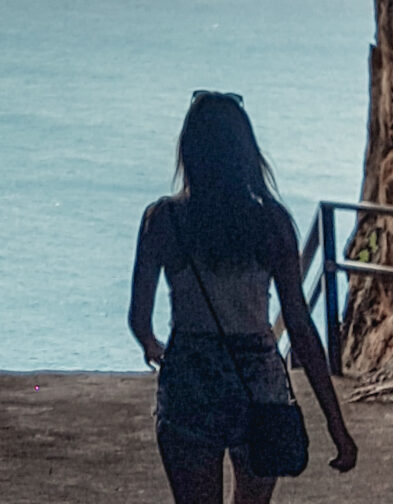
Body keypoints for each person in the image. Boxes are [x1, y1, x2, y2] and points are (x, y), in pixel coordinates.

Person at [129, 90, 359, 503]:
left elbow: (138, 317)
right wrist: (334, 424)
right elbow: (301, 328)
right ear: (246, 152)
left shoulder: (162, 220)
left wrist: (152, 345)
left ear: (189, 151)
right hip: (258, 385)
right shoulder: (271, 224)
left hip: (190, 383)